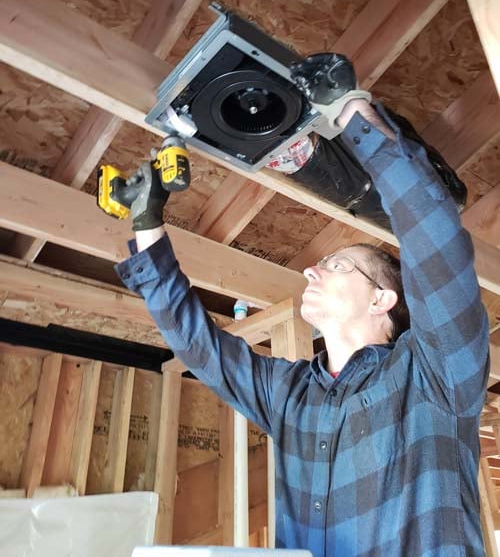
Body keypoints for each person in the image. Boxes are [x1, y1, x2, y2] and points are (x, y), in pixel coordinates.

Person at [115, 54, 489, 557]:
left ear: (383, 299)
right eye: (325, 264)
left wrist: (348, 109)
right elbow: (198, 346)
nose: (310, 270)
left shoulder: (434, 375)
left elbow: (435, 232)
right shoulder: (289, 394)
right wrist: (146, 227)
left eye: (334, 265)